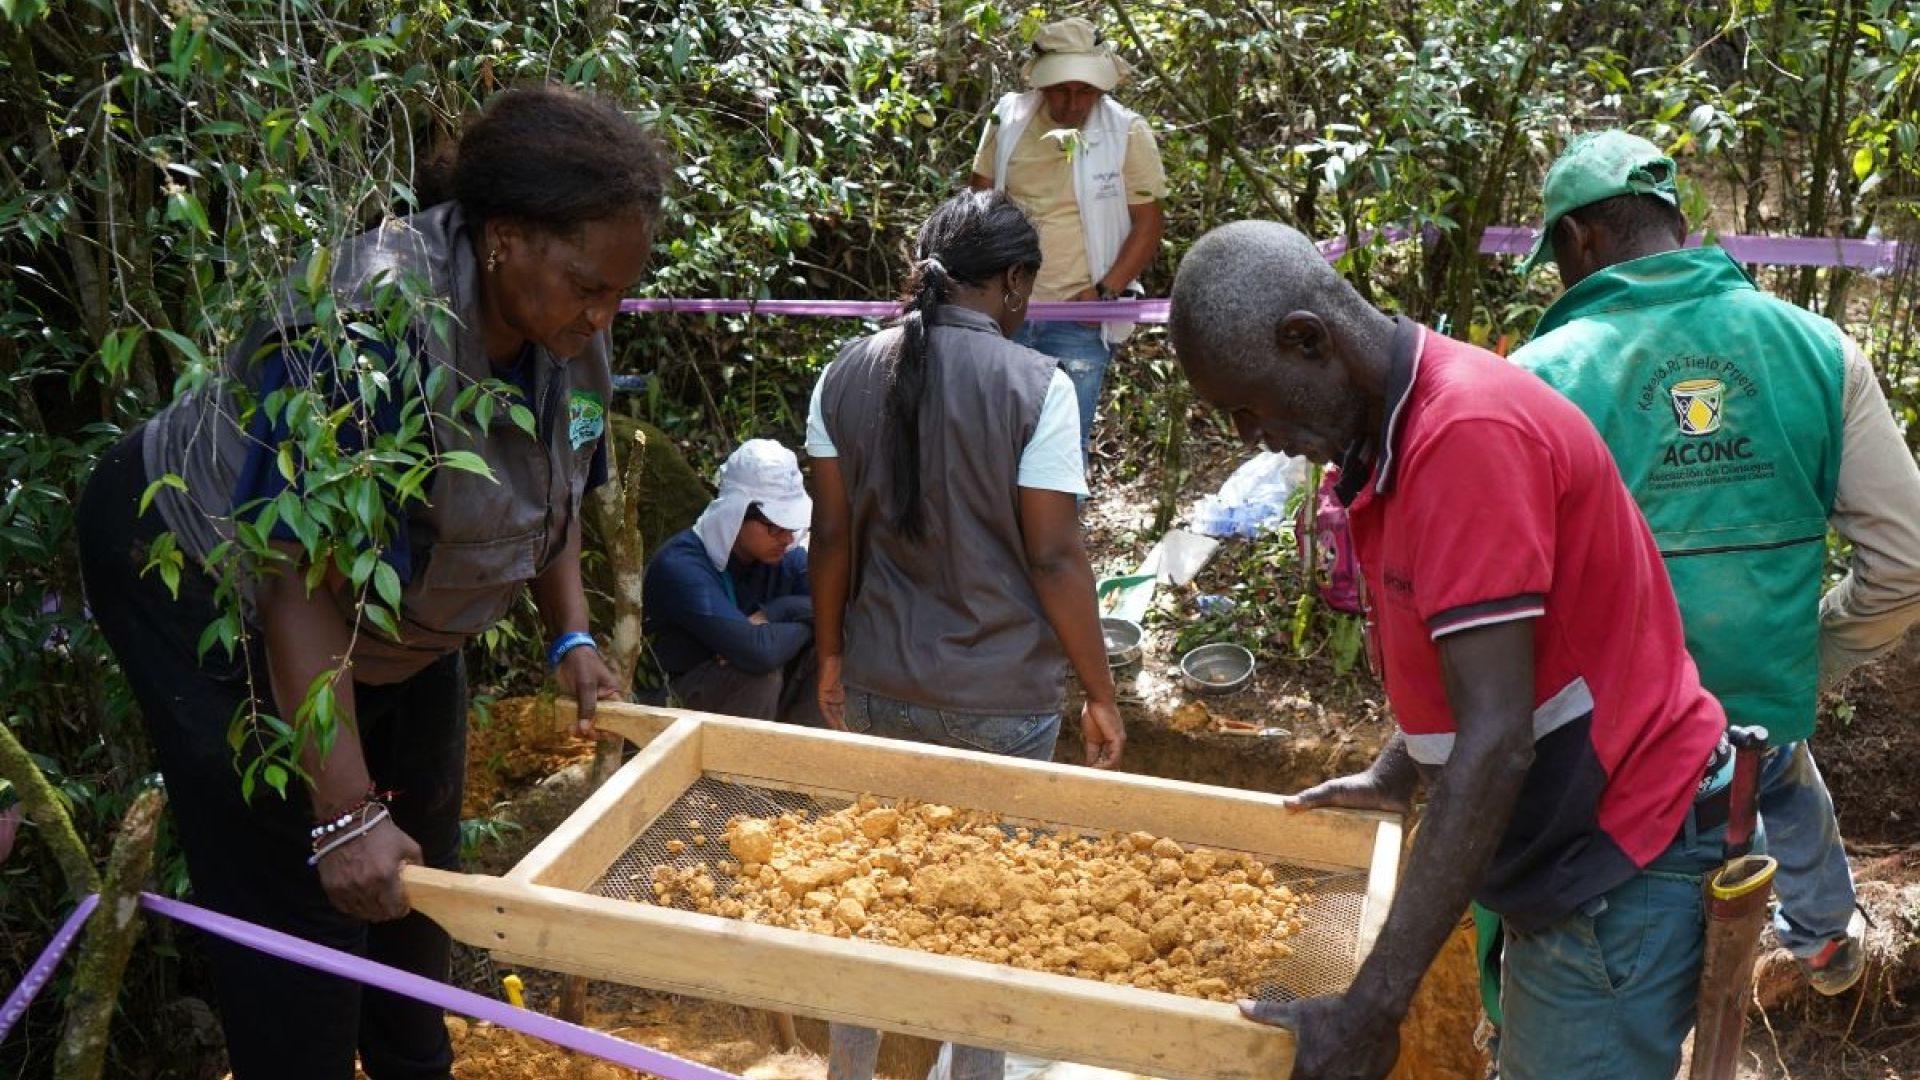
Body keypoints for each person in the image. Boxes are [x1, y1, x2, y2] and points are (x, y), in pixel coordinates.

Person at [74, 87, 670, 1080]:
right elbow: (296, 580)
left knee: (419, 869)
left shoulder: (573, 328)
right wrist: (344, 811)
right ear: (505, 240)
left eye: (619, 293)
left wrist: (571, 634)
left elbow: (562, 486)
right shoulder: (367, 324)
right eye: (586, 287)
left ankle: (408, 1059)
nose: (602, 314)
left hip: (385, 606)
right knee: (313, 884)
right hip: (206, 576)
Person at [1169, 220, 1732, 1080]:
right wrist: (1397, 771)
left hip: (1615, 863)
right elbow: (1491, 660)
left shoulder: (1464, 437)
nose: (1252, 436)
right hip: (1572, 855)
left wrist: (1371, 1008)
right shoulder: (1394, 441)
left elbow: (1498, 740)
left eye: (1249, 407)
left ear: (1307, 341)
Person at [1511, 129, 1920, 997]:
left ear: (1577, 241)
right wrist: (1817, 651)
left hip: (1619, 751)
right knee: (1781, 779)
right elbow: (1909, 557)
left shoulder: (1534, 381)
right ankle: (1822, 939)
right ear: (1673, 223)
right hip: (1763, 705)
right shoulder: (1820, 351)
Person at [805, 189, 1126, 1080]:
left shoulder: (843, 373)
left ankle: (848, 1070)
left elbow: (829, 537)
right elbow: (1056, 557)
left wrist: (830, 654)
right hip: (1001, 701)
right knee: (987, 913)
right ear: (1015, 282)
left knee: (868, 894)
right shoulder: (1039, 386)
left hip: (877, 678)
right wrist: (1099, 691)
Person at [968, 15, 1166, 452]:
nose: (1075, 103)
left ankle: (1057, 524)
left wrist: (1107, 292)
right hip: (1007, 310)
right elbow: (979, 201)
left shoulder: (1125, 131)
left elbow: (1148, 221)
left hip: (1079, 315)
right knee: (997, 444)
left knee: (1061, 450)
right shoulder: (1009, 119)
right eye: (1062, 89)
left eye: (1087, 90)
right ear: (1040, 83)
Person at [642, 439, 820, 725]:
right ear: (736, 513)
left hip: (744, 707)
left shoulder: (785, 559)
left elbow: (847, 611)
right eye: (775, 526)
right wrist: (811, 622)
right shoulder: (681, 566)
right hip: (669, 708)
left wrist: (779, 612)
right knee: (756, 674)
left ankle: (802, 762)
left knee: (829, 649)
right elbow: (758, 653)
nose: (786, 538)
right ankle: (734, 771)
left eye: (791, 526)